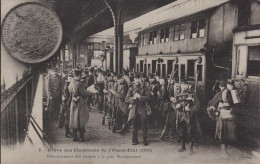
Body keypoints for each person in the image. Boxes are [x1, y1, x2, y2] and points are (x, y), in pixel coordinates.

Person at [209, 79, 237, 153]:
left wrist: (232, 109)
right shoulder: (223, 93)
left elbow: (236, 104)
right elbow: (215, 102)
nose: (229, 86)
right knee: (222, 131)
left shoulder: (234, 93)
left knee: (229, 131)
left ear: (233, 86)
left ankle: (227, 146)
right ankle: (223, 147)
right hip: (223, 113)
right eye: (228, 85)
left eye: (231, 85)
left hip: (230, 114)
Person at [68, 69, 96, 142]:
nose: (81, 77)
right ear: (78, 76)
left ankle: (74, 136)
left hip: (73, 101)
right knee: (81, 119)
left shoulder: (71, 83)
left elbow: (70, 92)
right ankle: (82, 136)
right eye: (80, 75)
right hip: (80, 102)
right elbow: (85, 93)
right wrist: (90, 91)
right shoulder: (79, 84)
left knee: (74, 119)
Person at [175, 80, 201, 152]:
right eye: (182, 85)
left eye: (185, 85)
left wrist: (190, 109)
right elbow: (174, 103)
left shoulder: (192, 94)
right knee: (182, 131)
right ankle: (183, 146)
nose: (183, 87)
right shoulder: (178, 93)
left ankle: (191, 148)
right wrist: (176, 106)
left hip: (189, 115)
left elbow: (198, 105)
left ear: (187, 86)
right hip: (180, 115)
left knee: (190, 131)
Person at [126, 80, 150, 146]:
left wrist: (140, 97)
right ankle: (134, 140)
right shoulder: (131, 88)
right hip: (134, 108)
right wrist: (133, 98)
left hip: (142, 108)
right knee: (134, 125)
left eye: (138, 78)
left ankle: (144, 140)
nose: (137, 81)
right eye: (136, 79)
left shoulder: (145, 88)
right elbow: (127, 98)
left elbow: (149, 97)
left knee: (144, 125)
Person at [60, 72, 73, 138]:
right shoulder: (67, 85)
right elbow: (66, 96)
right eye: (70, 78)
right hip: (67, 105)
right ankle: (67, 133)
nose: (71, 79)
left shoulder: (68, 84)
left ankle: (68, 132)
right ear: (68, 78)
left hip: (67, 104)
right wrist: (67, 105)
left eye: (71, 78)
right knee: (67, 119)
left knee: (68, 118)